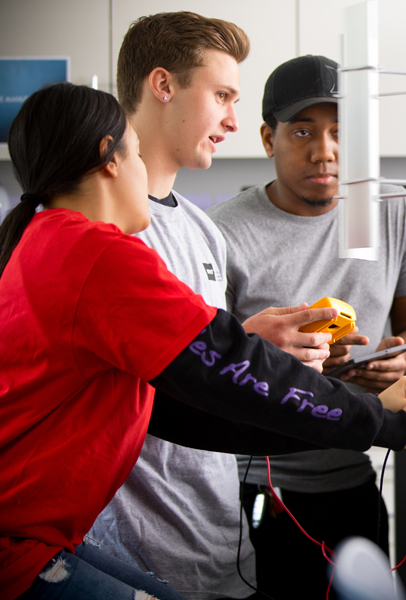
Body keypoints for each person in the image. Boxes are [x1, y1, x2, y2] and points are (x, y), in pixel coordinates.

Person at [0, 82, 406, 600]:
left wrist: (369, 416)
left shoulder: (42, 243)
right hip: (17, 548)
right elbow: (229, 359)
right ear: (108, 159)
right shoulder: (99, 254)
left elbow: (185, 411)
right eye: (134, 151)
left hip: (34, 537)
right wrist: (388, 426)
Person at [87, 13, 345, 600]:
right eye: (223, 95)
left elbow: (192, 361)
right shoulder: (99, 232)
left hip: (216, 541)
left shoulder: (201, 229)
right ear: (164, 85)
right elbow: (130, 391)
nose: (232, 119)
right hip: (128, 555)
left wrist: (249, 343)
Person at [206, 54, 406, 599]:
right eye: (302, 131)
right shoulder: (221, 233)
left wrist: (398, 362)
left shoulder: (397, 212)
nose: (326, 151)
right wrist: (284, 361)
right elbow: (204, 367)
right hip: (257, 488)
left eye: (342, 132)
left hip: (353, 474)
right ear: (268, 139)